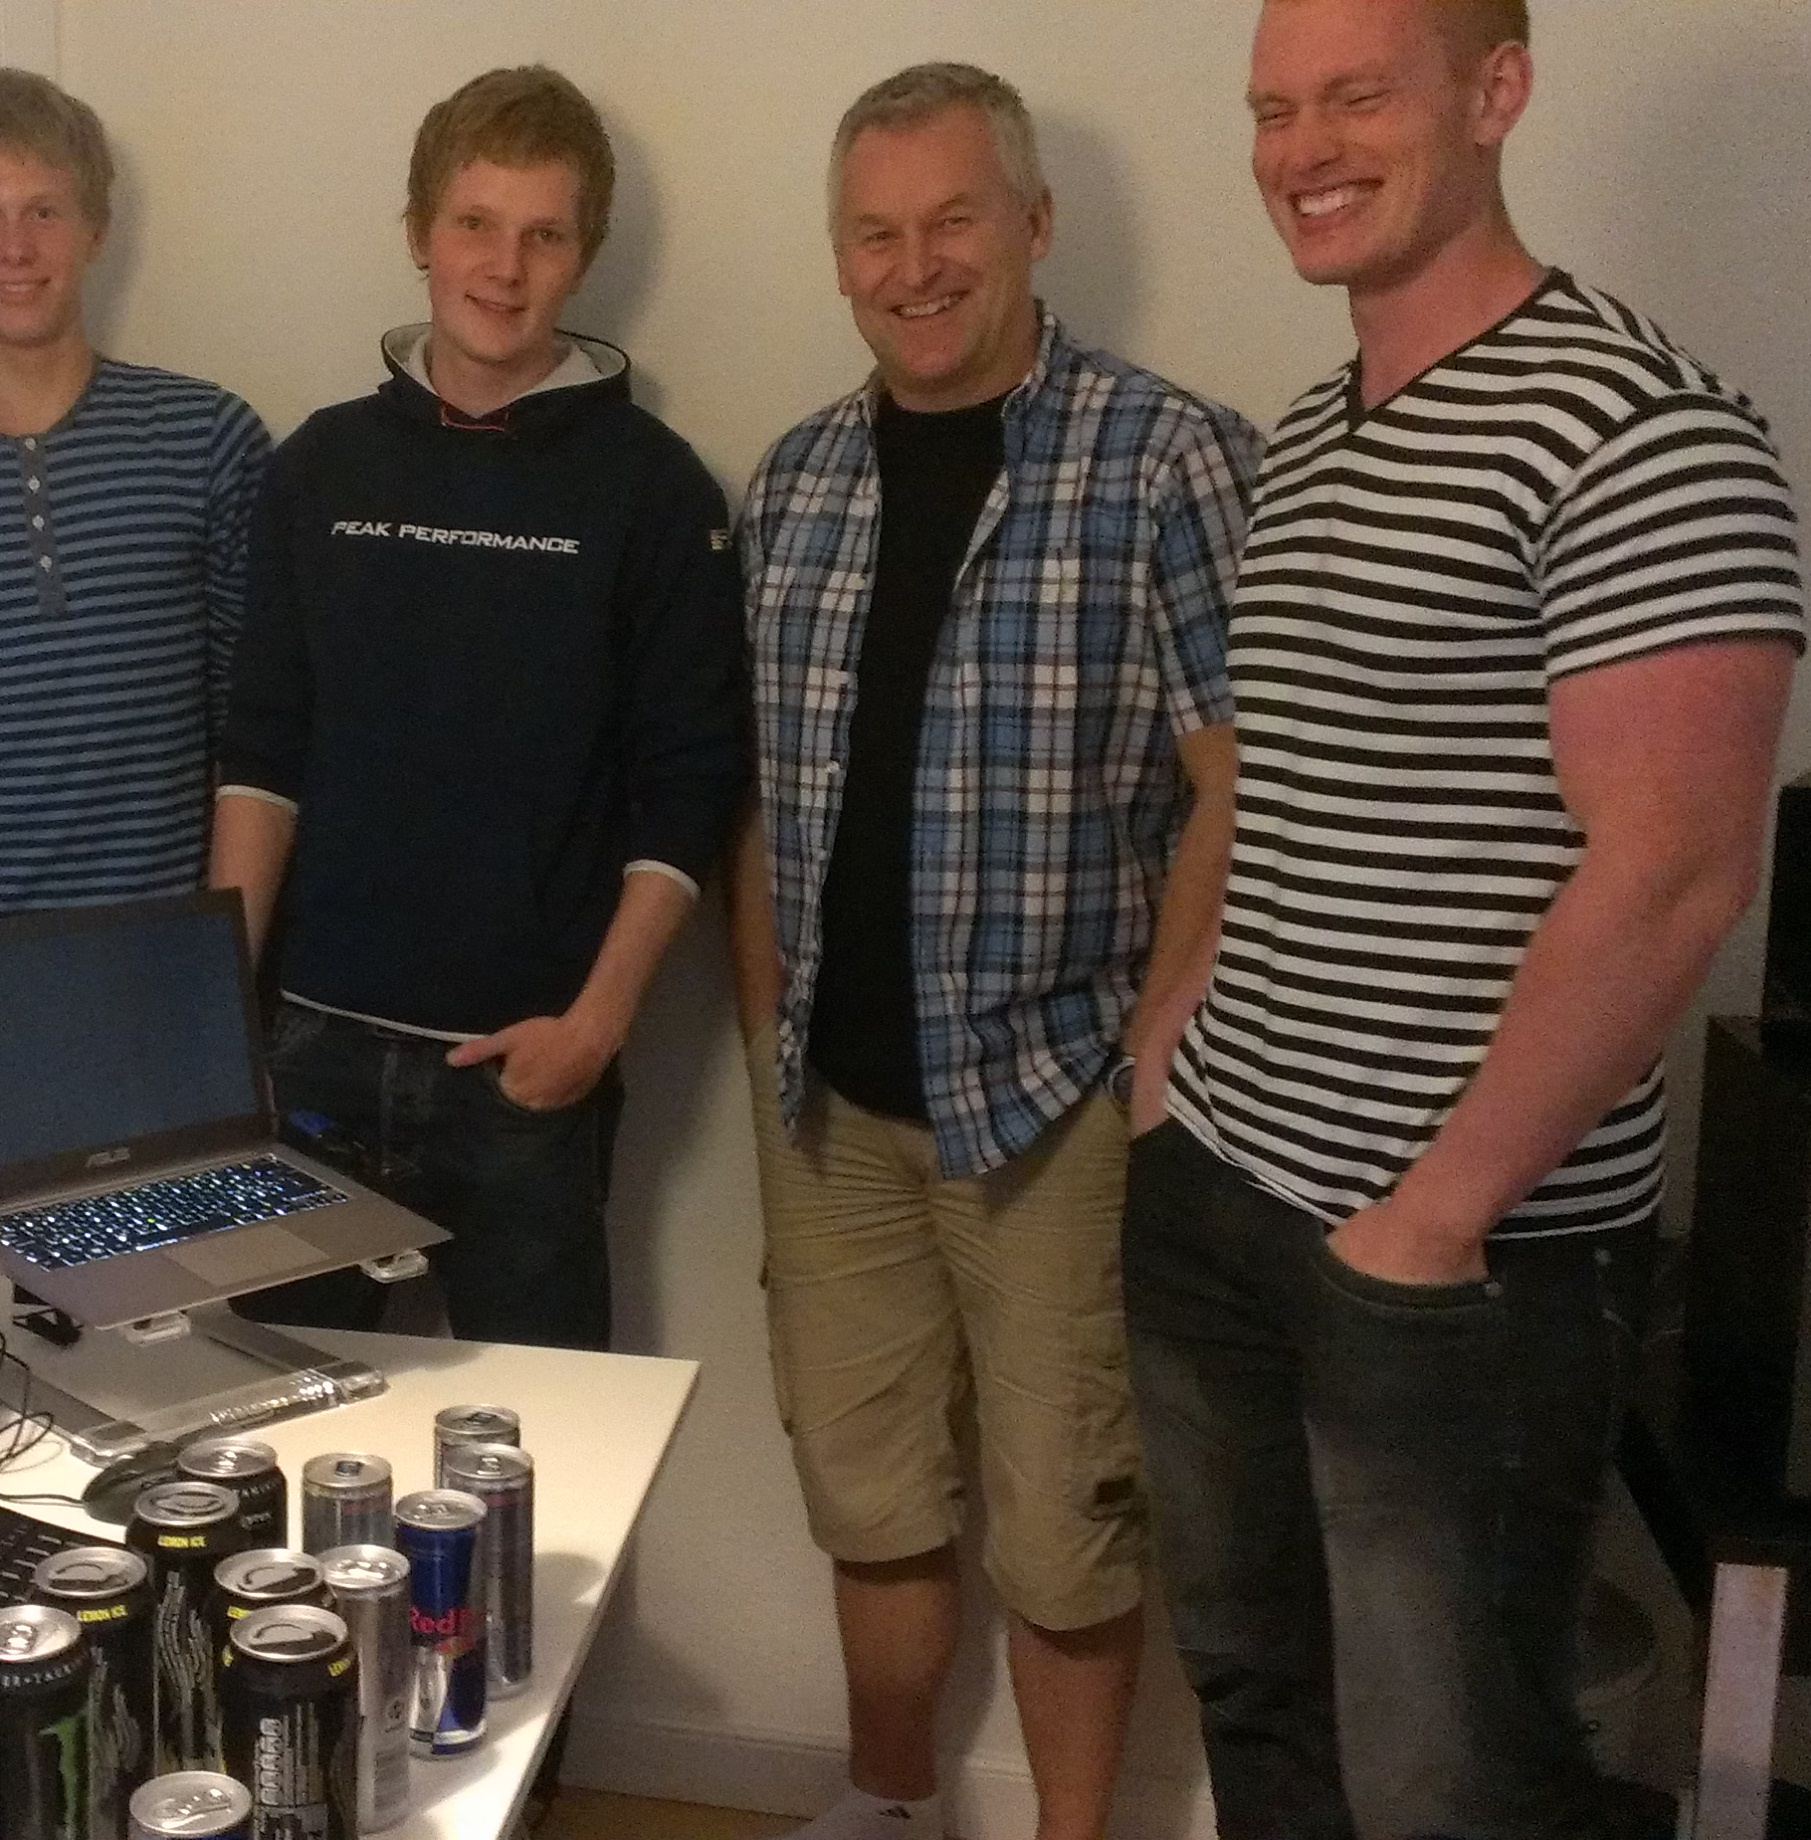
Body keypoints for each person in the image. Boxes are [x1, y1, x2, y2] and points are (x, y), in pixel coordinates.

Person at [1128, 4, 1803, 1834]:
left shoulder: (1640, 430)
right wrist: (1172, 1055)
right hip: (1219, 1190)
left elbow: (1674, 870)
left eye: (1357, 96)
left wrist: (1432, 1218)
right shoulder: (1310, 433)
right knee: (1258, 1708)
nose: (1300, 149)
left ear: (1495, 91)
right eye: (1272, 108)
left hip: (1454, 1269)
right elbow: (1275, 781)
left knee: (1448, 1789)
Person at [723, 63, 1257, 1840]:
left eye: (952, 219)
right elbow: (756, 798)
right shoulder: (794, 480)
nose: (915, 266)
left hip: (1059, 1102)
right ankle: (885, 1806)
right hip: (832, 1110)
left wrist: (1158, 1043)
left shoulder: (1166, 457)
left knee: (1064, 1518)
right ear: (838, 256)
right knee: (865, 1496)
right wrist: (762, 1033)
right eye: (874, 233)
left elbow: (1238, 775)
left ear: (1032, 223)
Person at [214, 65, 748, 1352]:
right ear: (419, 232)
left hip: (524, 1076)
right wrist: (221, 1024)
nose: (504, 269)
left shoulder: (655, 490)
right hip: (308, 1059)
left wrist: (596, 1027)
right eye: (474, 224)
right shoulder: (320, 467)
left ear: (584, 255)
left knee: (540, 1448)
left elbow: (687, 791)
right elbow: (263, 754)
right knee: (265, 1425)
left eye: (543, 235)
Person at [0, 69, 269, 929]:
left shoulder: (207, 438)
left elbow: (247, 738)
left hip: (160, 951)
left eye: (44, 211)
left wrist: (224, 957)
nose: (14, 247)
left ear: (95, 228)